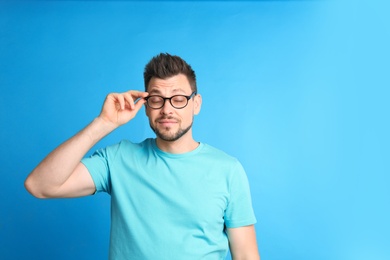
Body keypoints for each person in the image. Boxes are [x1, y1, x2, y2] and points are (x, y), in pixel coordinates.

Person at [25, 53, 260, 259]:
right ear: (146, 106)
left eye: (178, 99)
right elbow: (40, 185)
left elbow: (246, 255)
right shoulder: (118, 159)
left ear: (195, 104)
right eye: (157, 99)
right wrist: (103, 124)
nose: (167, 110)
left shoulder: (227, 169)